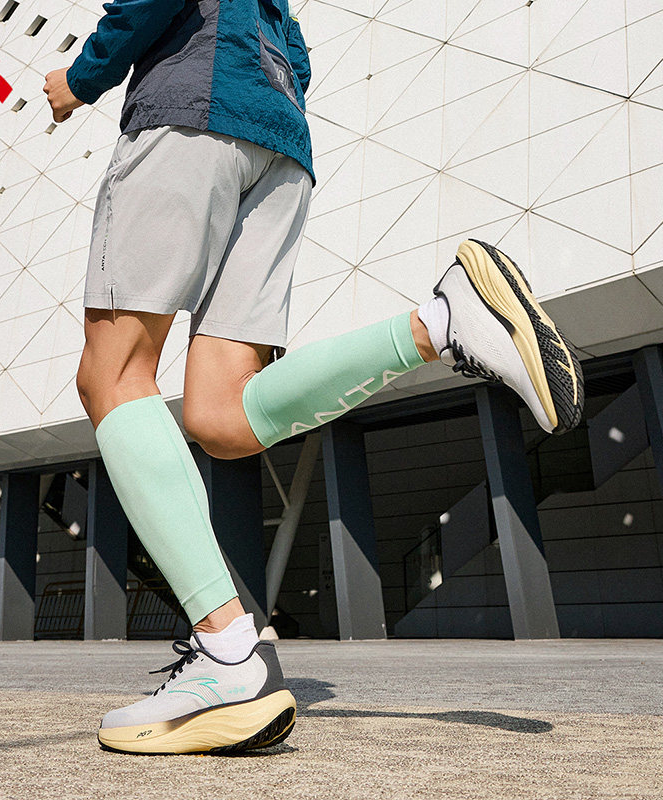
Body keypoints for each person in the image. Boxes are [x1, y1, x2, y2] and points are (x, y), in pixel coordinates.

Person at [43, 0, 584, 755]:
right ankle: (441, 323)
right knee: (222, 417)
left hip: (188, 119)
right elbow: (294, 49)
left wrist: (82, 77)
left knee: (113, 377)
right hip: (280, 145)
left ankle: (226, 651)